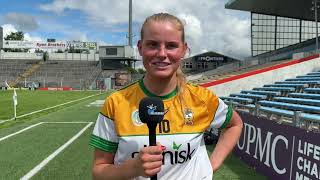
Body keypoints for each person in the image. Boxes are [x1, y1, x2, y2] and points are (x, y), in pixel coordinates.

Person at [90, 12, 243, 180]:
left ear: (184, 49)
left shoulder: (202, 98)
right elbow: (99, 173)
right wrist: (133, 168)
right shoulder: (116, 103)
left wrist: (210, 166)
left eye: (171, 45)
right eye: (153, 44)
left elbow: (234, 125)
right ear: (140, 48)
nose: (162, 53)